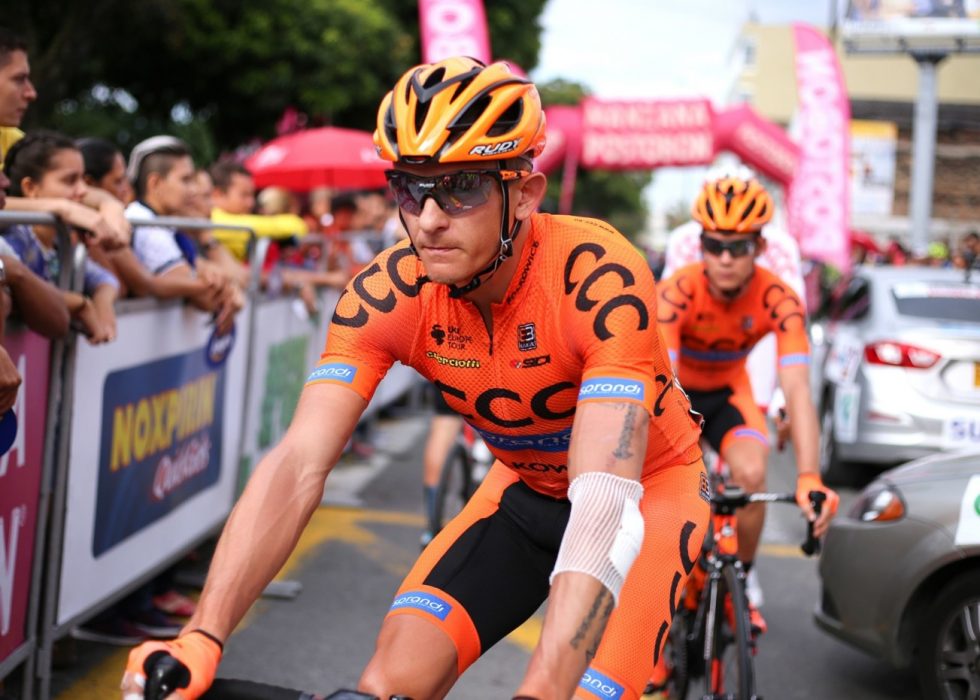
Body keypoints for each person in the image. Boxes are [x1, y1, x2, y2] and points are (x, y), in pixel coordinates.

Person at [122, 56, 711, 700]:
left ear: (526, 193)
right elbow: (297, 464)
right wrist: (201, 639)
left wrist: (542, 689)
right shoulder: (387, 292)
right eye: (410, 188)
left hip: (646, 499)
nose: (429, 219)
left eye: (462, 189)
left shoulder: (598, 276)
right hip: (522, 497)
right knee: (389, 683)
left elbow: (603, 496)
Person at [655, 172, 840, 635]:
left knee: (752, 476)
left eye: (738, 247)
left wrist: (809, 477)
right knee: (673, 492)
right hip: (677, 394)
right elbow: (663, 379)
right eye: (713, 245)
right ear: (700, 244)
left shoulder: (779, 299)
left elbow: (797, 389)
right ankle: (661, 617)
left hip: (728, 394)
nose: (724, 259)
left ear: (759, 248)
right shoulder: (677, 291)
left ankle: (742, 577)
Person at [3, 131, 120, 343]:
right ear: (30, 188)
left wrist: (103, 303)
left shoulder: (60, 244)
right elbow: (14, 297)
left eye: (83, 180)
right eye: (70, 180)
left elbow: (105, 279)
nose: (84, 191)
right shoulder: (16, 238)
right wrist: (79, 303)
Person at [123, 135, 238, 334]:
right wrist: (216, 287)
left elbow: (218, 279)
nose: (193, 190)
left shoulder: (162, 223)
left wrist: (215, 280)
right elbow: (206, 299)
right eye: (185, 180)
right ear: (155, 183)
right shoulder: (147, 225)